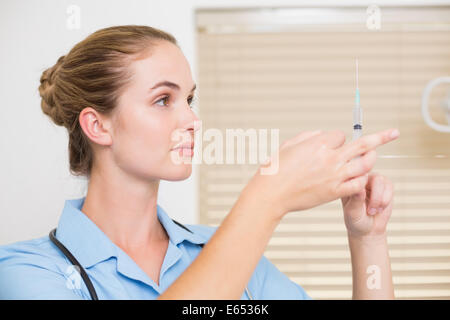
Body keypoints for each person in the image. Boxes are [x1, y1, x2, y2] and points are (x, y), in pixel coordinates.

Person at [0, 25, 399, 300]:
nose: (192, 121)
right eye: (163, 100)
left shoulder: (226, 256)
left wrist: (368, 240)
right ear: (97, 126)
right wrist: (267, 197)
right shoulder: (27, 271)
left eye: (189, 100)